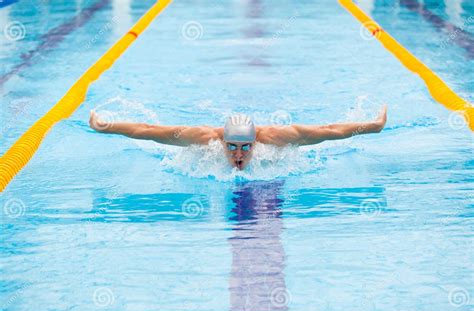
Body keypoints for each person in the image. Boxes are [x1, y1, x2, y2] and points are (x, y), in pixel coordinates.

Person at [89, 105, 387, 170]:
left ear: (257, 141)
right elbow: (149, 132)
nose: (239, 155)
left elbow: (329, 131)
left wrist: (373, 126)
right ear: (222, 142)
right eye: (232, 147)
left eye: (246, 146)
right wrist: (105, 126)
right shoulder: (203, 139)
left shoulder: (276, 139)